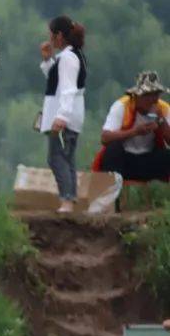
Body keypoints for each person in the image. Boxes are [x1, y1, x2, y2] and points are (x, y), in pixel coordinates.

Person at [39, 15, 87, 213]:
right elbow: (56, 80)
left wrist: (62, 116)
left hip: (65, 114)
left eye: (51, 34)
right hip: (69, 112)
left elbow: (67, 88)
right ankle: (70, 197)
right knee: (67, 158)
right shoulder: (72, 55)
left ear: (59, 35)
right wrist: (48, 60)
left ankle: (66, 198)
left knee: (56, 157)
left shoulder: (68, 58)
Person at [93, 71, 170, 182]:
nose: (152, 100)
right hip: (125, 160)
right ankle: (112, 194)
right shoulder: (122, 106)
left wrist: (161, 120)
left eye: (155, 95)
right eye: (147, 95)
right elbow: (105, 138)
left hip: (148, 160)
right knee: (112, 149)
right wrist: (134, 132)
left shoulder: (163, 108)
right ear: (138, 95)